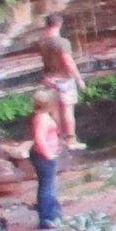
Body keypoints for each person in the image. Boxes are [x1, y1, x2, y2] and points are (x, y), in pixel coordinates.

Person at [39, 12, 85, 150]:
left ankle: (56, 139)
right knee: (67, 109)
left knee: (54, 110)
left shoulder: (42, 42)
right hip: (64, 79)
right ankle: (71, 139)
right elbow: (68, 62)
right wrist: (79, 78)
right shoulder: (62, 43)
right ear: (59, 24)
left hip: (48, 79)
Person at [28, 86, 63, 230]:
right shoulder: (42, 118)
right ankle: (47, 218)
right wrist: (49, 155)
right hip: (43, 157)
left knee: (49, 186)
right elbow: (39, 139)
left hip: (45, 155)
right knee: (46, 187)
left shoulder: (42, 115)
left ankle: (53, 214)